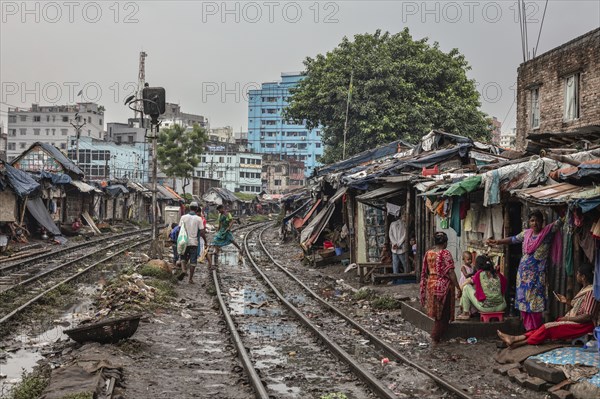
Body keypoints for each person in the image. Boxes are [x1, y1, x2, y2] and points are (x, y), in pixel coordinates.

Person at [487, 210, 562, 331]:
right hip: (522, 275)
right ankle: (529, 330)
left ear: (542, 222)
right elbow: (513, 239)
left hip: (537, 276)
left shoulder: (547, 232)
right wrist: (497, 241)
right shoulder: (526, 234)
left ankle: (536, 330)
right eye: (532, 220)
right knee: (524, 301)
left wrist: (562, 207)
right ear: (529, 222)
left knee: (535, 303)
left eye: (538, 220)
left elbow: (561, 221)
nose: (535, 223)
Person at [497, 264, 598, 348]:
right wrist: (566, 301)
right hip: (575, 321)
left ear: (583, 277)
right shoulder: (586, 289)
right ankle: (515, 339)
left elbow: (587, 316)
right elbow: (579, 305)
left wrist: (567, 318)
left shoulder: (591, 292)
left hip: (583, 326)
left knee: (547, 327)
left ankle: (519, 343)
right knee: (545, 327)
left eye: (578, 274)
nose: (576, 275)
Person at [420, 231, 461, 344]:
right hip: (443, 287)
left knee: (437, 313)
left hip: (431, 284)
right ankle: (435, 337)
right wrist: (458, 287)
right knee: (443, 314)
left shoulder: (429, 253)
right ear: (445, 242)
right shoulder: (445, 253)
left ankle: (437, 336)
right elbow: (451, 272)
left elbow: (425, 271)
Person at [457, 255, 507, 320]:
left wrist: (459, 291)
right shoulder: (497, 273)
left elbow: (463, 286)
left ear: (477, 266)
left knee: (466, 287)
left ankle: (465, 313)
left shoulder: (479, 274)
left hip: (486, 308)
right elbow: (505, 282)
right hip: (501, 306)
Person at [178, 202, 206, 284]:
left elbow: (179, 229)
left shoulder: (183, 217)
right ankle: (190, 279)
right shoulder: (199, 219)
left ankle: (183, 270)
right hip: (194, 242)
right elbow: (202, 232)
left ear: (189, 208)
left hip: (184, 241)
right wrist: (205, 241)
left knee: (183, 257)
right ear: (197, 209)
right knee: (193, 261)